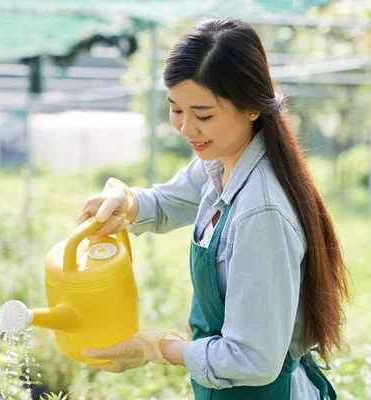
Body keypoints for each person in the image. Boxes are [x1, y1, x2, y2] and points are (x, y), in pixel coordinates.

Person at [77, 18, 350, 400]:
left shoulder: (262, 213)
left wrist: (154, 348)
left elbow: (251, 359)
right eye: (176, 110)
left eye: (203, 115)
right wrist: (128, 201)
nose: (187, 128)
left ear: (252, 107)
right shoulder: (220, 162)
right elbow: (166, 201)